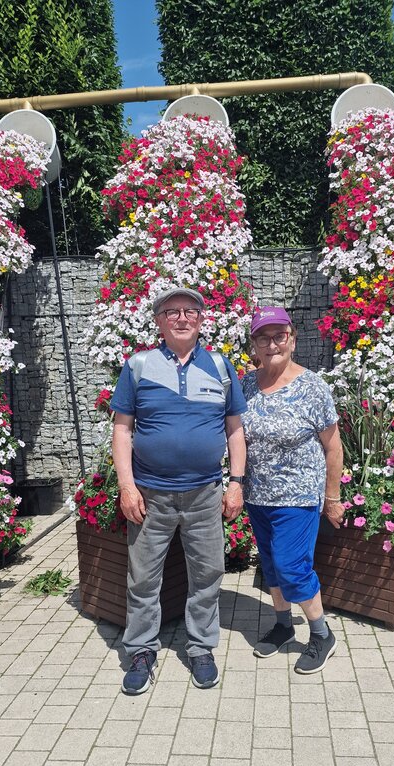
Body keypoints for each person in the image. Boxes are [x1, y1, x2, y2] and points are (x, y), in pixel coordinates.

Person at [110, 285, 247, 695]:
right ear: (159, 321)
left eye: (190, 311)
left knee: (208, 575)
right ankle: (140, 651)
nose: (182, 318)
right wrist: (126, 486)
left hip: (205, 493)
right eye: (172, 312)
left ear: (202, 320)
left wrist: (236, 483)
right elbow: (122, 430)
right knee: (142, 578)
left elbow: (235, 431)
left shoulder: (220, 366)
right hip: (150, 495)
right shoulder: (139, 366)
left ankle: (201, 648)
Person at [241, 306, 345, 674]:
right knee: (271, 564)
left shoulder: (312, 387)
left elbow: (333, 446)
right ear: (254, 345)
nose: (272, 344)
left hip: (298, 497)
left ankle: (321, 635)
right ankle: (284, 625)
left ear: (292, 340)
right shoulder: (246, 385)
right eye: (263, 338)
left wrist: (332, 497)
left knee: (291, 566)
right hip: (257, 495)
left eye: (279, 336)